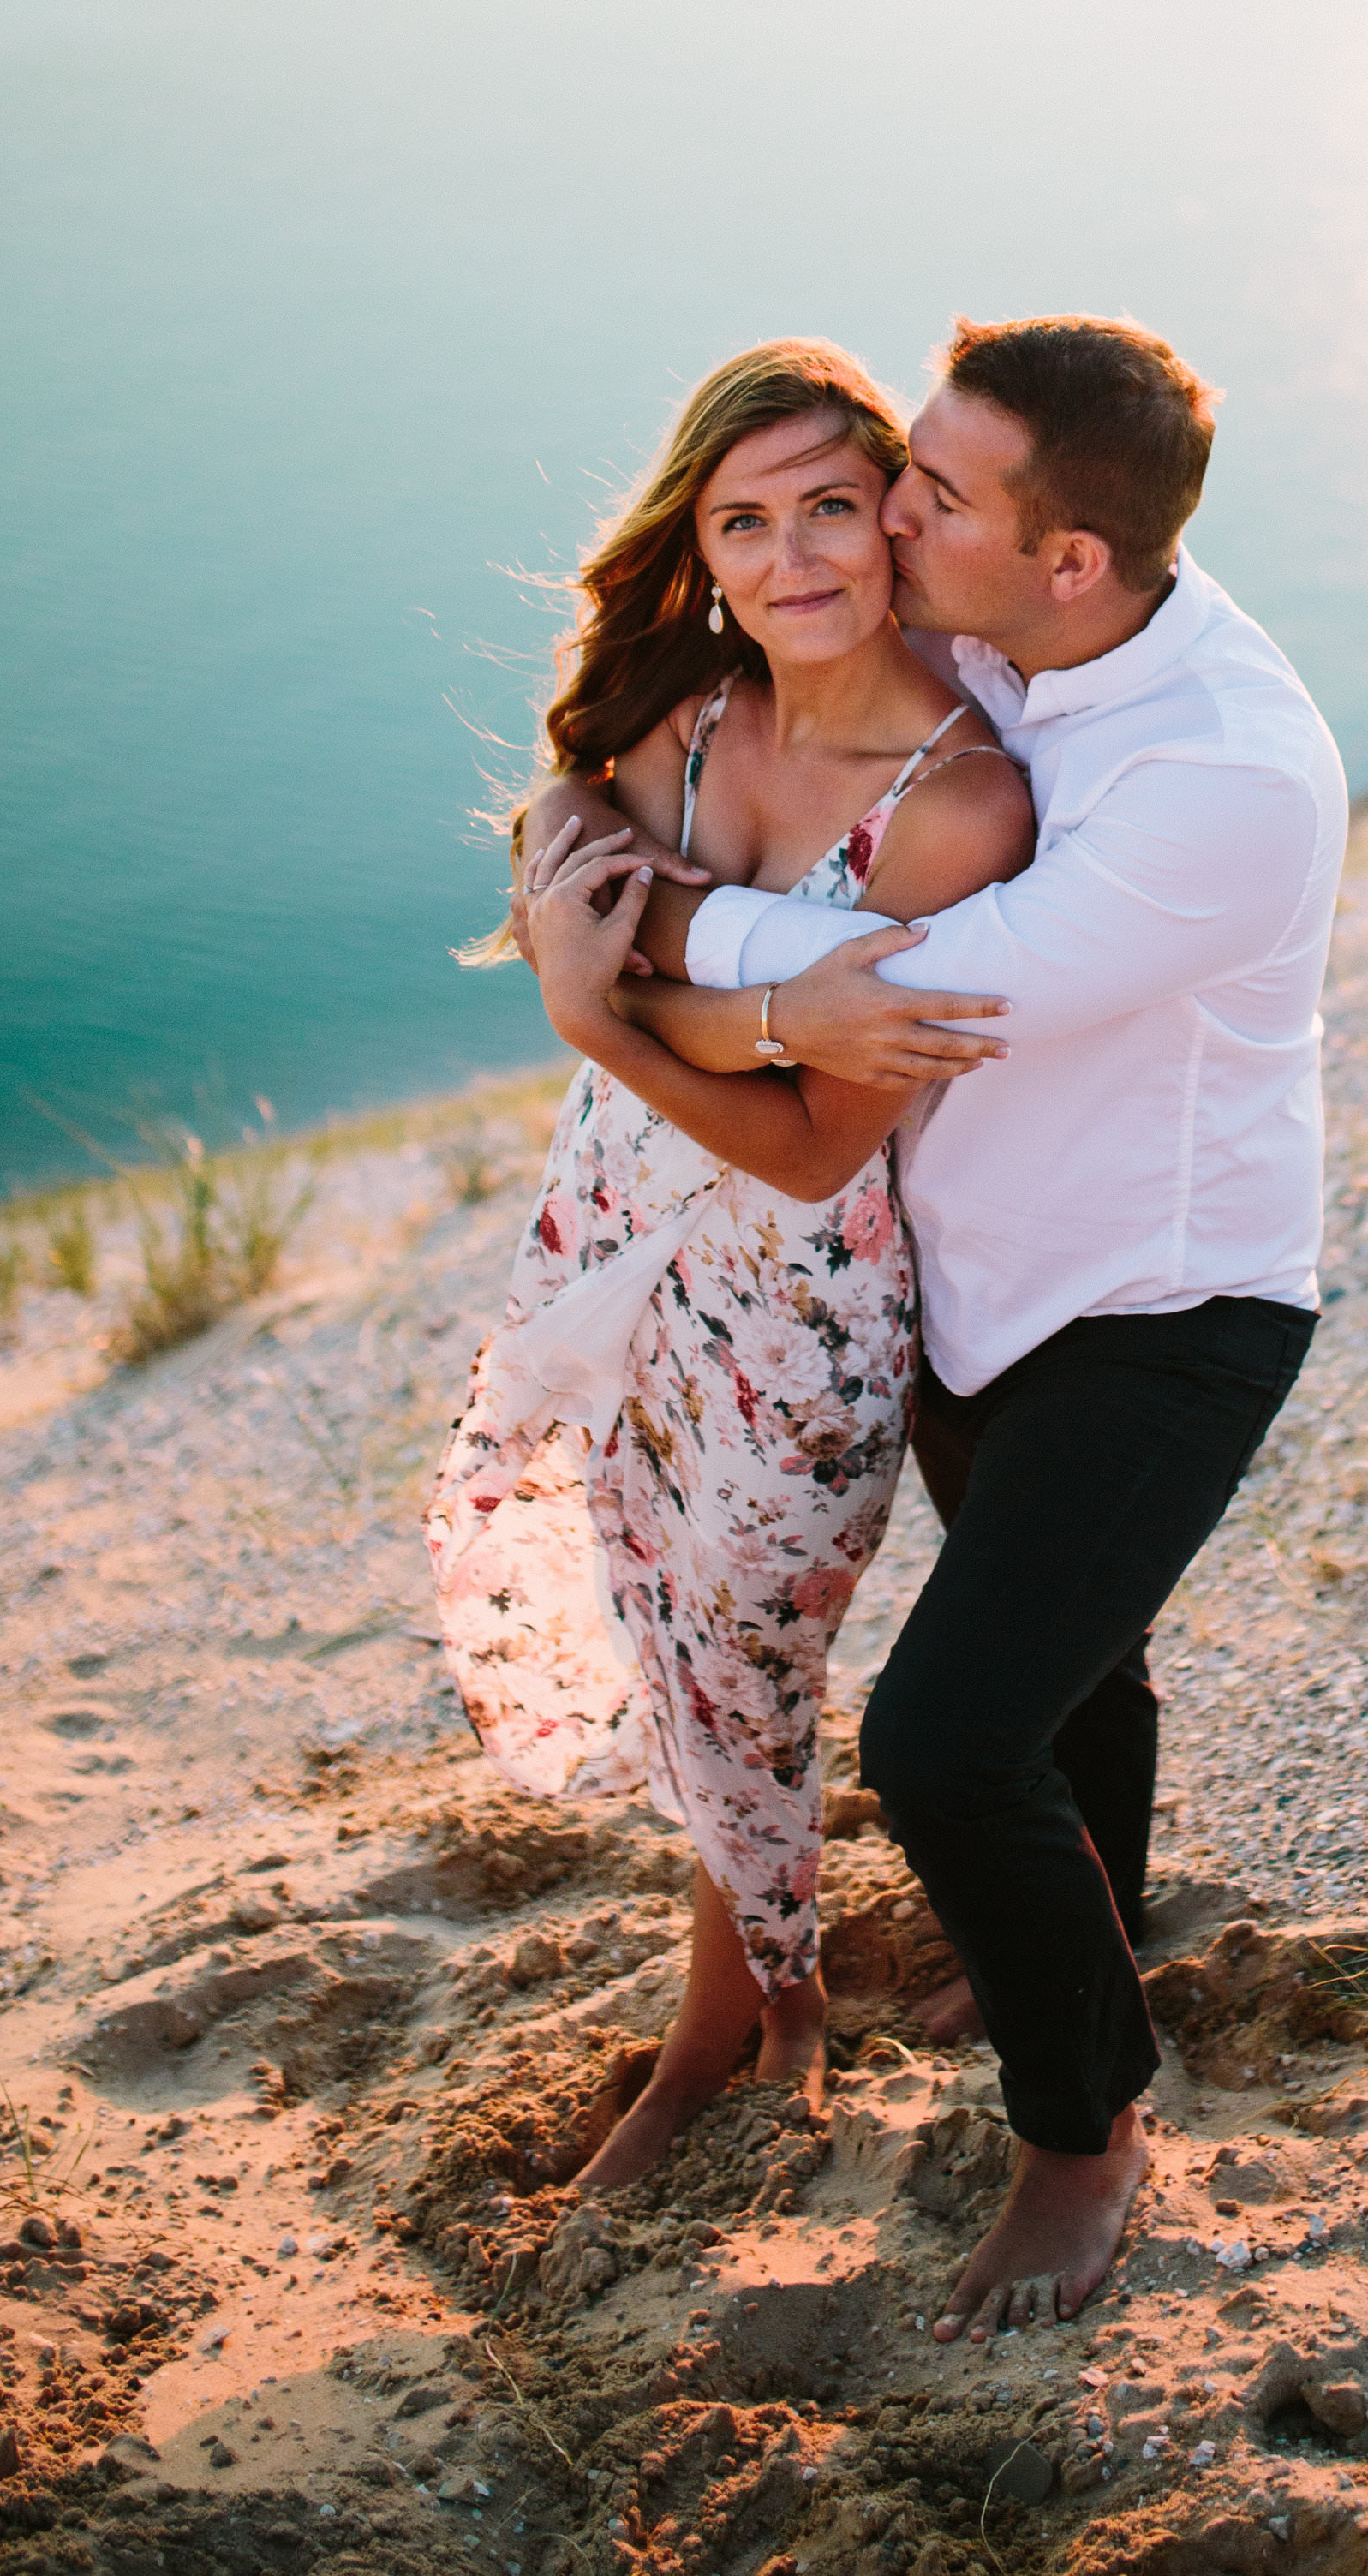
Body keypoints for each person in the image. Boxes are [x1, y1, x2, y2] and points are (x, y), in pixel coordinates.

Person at [520, 313, 1346, 2330]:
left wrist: (620, 970)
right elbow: (741, 816)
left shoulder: (1219, 781)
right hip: (966, 1279)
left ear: (1066, 559)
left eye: (929, 493)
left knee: (949, 1734)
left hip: (1159, 1301)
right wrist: (582, 853)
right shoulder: (1016, 616)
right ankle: (1093, 1924)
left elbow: (889, 999)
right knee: (1080, 1681)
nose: (886, 517)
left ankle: (1084, 2142)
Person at [428, 338, 1032, 2191]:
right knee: (662, 1609)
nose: (795, 561)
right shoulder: (682, 723)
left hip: (804, 1287)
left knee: (755, 1641)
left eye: (831, 509)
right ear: (698, 546)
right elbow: (563, 826)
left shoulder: (958, 801)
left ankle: (740, 2018)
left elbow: (807, 1143)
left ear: (893, 514)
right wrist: (734, 987)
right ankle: (768, 1994)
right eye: (744, 521)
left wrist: (613, 1016)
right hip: (611, 1221)